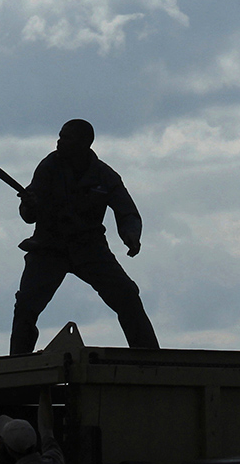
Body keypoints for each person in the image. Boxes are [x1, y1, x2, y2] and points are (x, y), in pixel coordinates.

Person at [10, 119, 158, 354]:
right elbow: (29, 215)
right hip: (49, 248)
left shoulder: (105, 175)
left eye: (66, 137)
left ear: (84, 143)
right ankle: (18, 361)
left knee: (127, 295)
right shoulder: (48, 167)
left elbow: (127, 211)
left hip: (90, 249)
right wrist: (30, 205)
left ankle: (149, 357)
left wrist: (131, 235)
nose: (59, 142)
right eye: (60, 136)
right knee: (26, 307)